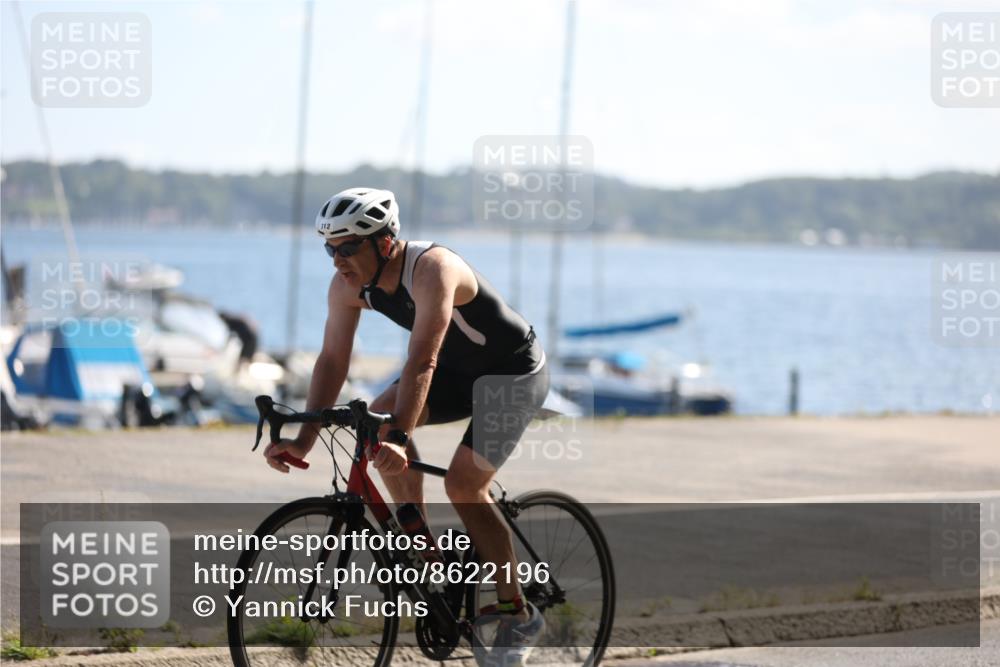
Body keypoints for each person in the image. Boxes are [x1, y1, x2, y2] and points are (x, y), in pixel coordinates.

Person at [263, 187, 549, 665]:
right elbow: (332, 360)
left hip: (511, 374)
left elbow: (422, 359)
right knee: (375, 424)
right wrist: (304, 439)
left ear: (385, 243)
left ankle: (518, 615)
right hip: (456, 373)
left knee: (463, 485)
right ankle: (422, 547)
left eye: (348, 247)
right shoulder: (348, 285)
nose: (338, 261)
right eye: (330, 249)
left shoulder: (433, 269)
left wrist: (400, 436)